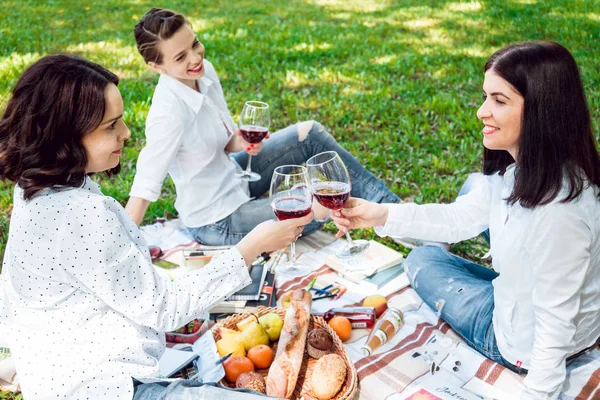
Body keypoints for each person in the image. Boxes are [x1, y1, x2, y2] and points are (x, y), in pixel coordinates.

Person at [0, 54, 313, 399]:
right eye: (110, 126)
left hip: (53, 375)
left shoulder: (35, 190)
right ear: (63, 137)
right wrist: (253, 245)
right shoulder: (83, 214)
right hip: (108, 388)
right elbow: (165, 308)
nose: (126, 132)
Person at [330, 41, 600, 399]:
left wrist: (538, 392)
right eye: (485, 96)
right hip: (524, 293)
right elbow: (461, 216)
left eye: (499, 101)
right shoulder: (544, 170)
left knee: (423, 259)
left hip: (522, 341)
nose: (480, 112)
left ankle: (451, 259)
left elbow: (555, 320)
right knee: (474, 186)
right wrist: (382, 214)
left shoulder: (558, 215)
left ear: (541, 112)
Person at [125, 7, 401, 245]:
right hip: (217, 220)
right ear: (157, 67)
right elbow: (145, 185)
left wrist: (244, 142)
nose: (195, 58)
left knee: (309, 133)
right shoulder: (167, 114)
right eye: (180, 57)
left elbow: (228, 141)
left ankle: (397, 213)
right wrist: (119, 246)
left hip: (235, 179)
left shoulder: (204, 71)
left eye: (194, 45)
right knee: (316, 208)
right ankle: (384, 220)